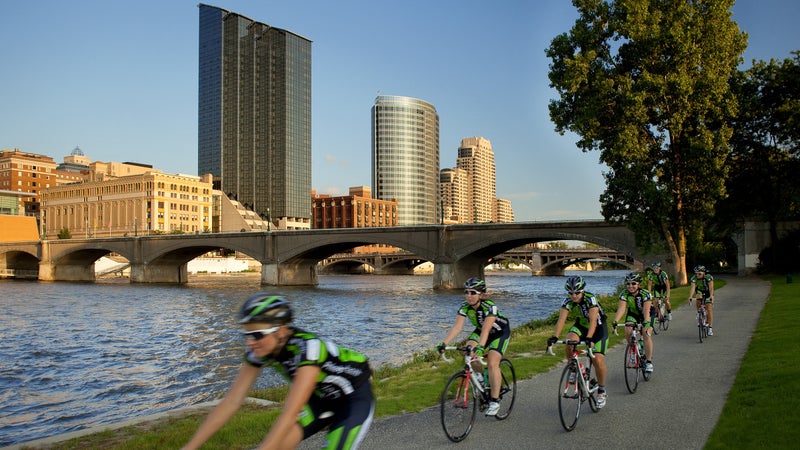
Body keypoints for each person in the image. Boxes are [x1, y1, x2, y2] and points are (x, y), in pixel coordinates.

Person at [182, 294, 374, 450]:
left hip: (353, 400)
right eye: (246, 335)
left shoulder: (309, 348)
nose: (250, 342)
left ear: (281, 331)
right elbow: (232, 401)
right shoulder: (259, 350)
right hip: (318, 400)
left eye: (256, 335)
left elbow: (290, 411)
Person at [436, 277, 511, 416]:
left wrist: (481, 347)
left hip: (499, 332)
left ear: (481, 295)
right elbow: (457, 327)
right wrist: (444, 343)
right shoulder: (464, 307)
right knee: (469, 351)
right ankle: (480, 379)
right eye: (467, 292)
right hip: (481, 330)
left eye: (473, 293)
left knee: (492, 362)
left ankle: (495, 401)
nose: (469, 296)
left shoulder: (490, 306)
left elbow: (486, 330)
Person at [547, 275, 610, 408]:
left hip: (598, 328)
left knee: (597, 360)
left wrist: (589, 338)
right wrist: (555, 337)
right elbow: (561, 320)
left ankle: (602, 390)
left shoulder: (590, 299)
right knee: (570, 341)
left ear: (582, 290)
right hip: (581, 326)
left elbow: (593, 320)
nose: (574, 296)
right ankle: (573, 368)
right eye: (570, 293)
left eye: (576, 292)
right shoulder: (567, 302)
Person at [612, 272, 655, 373]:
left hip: (647, 313)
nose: (630, 286)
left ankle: (648, 362)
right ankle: (633, 350)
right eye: (628, 284)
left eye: (633, 283)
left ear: (639, 284)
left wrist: (646, 323)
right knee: (627, 329)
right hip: (633, 314)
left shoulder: (645, 293)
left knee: (646, 334)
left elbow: (646, 310)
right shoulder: (624, 294)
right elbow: (622, 308)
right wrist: (616, 321)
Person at [687, 265, 716, 335]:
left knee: (709, 309)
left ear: (703, 273)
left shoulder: (708, 277)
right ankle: (699, 313)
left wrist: (711, 296)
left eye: (699, 273)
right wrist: (690, 296)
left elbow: (711, 288)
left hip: (707, 291)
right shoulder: (694, 278)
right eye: (696, 273)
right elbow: (693, 288)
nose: (697, 275)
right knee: (698, 297)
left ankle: (710, 328)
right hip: (699, 291)